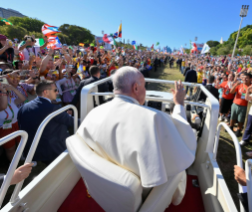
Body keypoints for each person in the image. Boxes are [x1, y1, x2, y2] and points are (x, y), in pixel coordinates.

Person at [76, 66, 196, 204]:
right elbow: (183, 148)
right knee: (179, 172)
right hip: (142, 193)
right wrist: (179, 105)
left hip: (106, 189)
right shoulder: (154, 118)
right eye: (144, 86)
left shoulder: (94, 113)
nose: (145, 91)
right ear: (136, 88)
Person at [18, 80, 76, 165]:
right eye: (55, 90)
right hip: (54, 150)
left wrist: (64, 116)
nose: (57, 92)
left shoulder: (23, 108)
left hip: (35, 151)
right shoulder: (53, 108)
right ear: (46, 92)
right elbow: (72, 122)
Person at [229, 72, 252, 136]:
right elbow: (231, 92)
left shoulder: (251, 87)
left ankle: (238, 130)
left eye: (246, 78)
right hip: (235, 104)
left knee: (241, 119)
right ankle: (231, 127)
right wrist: (236, 85)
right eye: (244, 78)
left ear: (250, 79)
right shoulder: (239, 84)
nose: (245, 79)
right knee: (232, 117)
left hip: (244, 106)